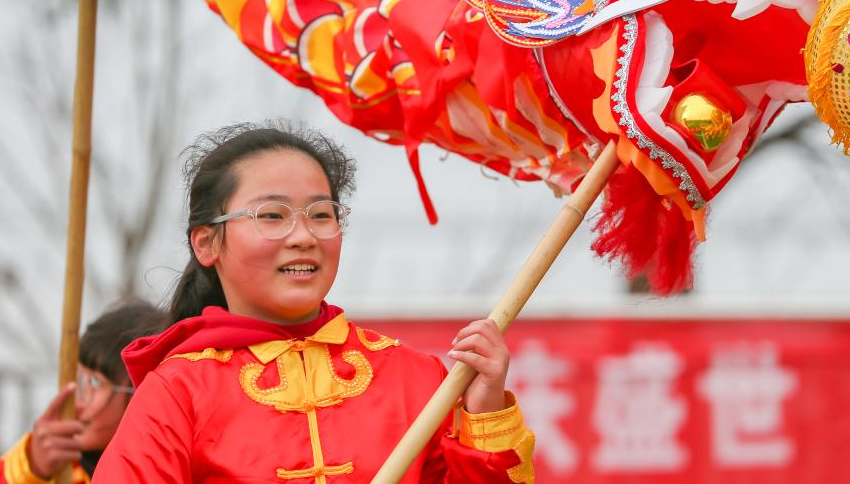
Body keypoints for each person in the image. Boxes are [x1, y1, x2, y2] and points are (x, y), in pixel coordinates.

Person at [93, 122, 536, 482]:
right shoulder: (177, 390)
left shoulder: (418, 379)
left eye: (322, 215)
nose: (304, 237)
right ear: (206, 243)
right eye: (272, 216)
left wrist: (486, 413)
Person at [0, 300, 169, 483]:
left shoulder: (171, 471)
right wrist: (33, 468)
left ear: (139, 392)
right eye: (78, 377)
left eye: (94, 382)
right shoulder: (56, 468)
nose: (76, 401)